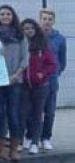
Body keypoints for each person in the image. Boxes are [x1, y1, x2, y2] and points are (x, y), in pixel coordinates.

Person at [0, 5, 28, 162]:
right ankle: (0, 147)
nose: (5, 16)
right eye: (2, 14)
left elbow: (25, 58)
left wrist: (16, 75)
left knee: (13, 113)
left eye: (8, 13)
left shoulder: (20, 35)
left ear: (13, 16)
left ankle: (15, 147)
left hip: (15, 80)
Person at [20, 18, 57, 155]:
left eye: (31, 28)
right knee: (24, 113)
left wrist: (42, 74)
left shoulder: (42, 45)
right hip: (24, 85)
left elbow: (52, 64)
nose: (28, 31)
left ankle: (35, 142)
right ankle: (23, 139)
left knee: (37, 114)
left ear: (35, 30)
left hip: (40, 85)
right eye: (25, 28)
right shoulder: (21, 44)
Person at [39, 9, 66, 151]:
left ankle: (46, 137)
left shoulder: (59, 39)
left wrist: (55, 72)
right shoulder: (34, 36)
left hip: (52, 80)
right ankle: (31, 136)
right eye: (44, 18)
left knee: (49, 110)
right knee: (34, 111)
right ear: (40, 20)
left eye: (50, 19)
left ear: (53, 21)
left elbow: (62, 60)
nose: (47, 21)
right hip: (36, 80)